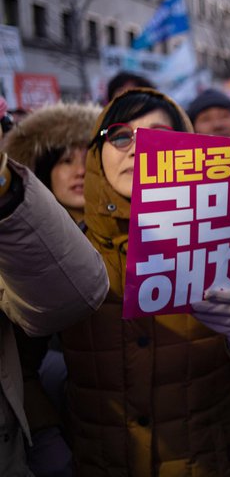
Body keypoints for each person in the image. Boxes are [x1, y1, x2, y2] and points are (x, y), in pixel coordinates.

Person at [58, 88, 230, 476]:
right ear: (96, 154)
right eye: (120, 135)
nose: (137, 147)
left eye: (158, 135)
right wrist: (46, 440)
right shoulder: (65, 250)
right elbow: (19, 367)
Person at [0, 96, 109, 477]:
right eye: (65, 160)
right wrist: (47, 432)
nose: (80, 170)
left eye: (88, 159)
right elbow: (22, 369)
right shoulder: (19, 247)